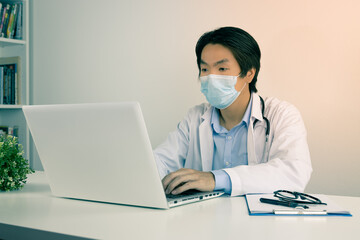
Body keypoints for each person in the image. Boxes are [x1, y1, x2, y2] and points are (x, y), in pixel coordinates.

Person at [154, 26, 312, 196]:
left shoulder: (281, 114)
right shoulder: (195, 118)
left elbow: (293, 172)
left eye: (222, 69)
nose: (211, 77)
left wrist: (215, 179)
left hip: (261, 220)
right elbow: (161, 161)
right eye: (205, 69)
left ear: (249, 74)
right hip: (204, 219)